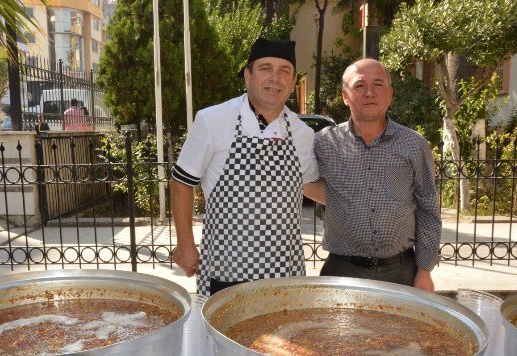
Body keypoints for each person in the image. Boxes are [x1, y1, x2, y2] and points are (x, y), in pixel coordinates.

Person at [171, 38, 319, 298]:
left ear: (293, 82)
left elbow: (309, 186)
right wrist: (185, 244)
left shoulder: (302, 133)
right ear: (247, 76)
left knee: (285, 338)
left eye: (285, 70)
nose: (275, 78)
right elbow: (182, 182)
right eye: (265, 68)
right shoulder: (212, 120)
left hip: (285, 274)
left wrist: (354, 198)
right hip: (227, 271)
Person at [304, 58, 441, 292]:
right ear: (345, 97)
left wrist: (424, 271)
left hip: (402, 273)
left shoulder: (414, 145)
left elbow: (428, 209)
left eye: (378, 84)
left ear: (390, 94)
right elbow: (296, 174)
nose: (370, 92)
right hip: (342, 272)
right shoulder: (324, 144)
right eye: (359, 86)